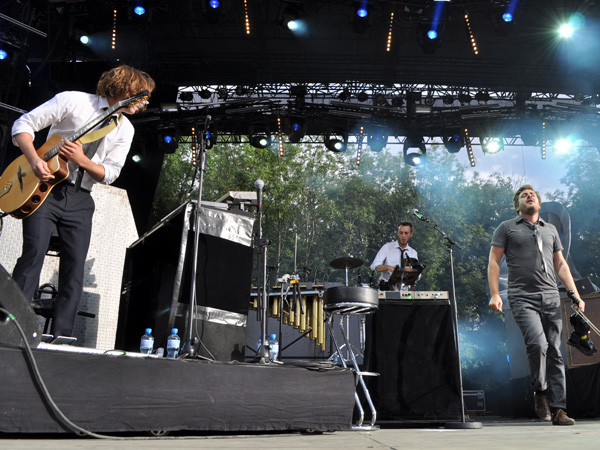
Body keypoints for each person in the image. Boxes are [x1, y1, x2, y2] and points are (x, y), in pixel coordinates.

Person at [11, 65, 155, 338]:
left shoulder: (125, 129)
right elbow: (23, 124)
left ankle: (62, 339)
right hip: (44, 190)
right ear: (124, 89)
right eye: (140, 96)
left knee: (74, 270)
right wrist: (34, 160)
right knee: (33, 256)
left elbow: (110, 174)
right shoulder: (74, 101)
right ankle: (12, 330)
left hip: (81, 199)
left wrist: (83, 161)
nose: (143, 103)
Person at [488, 184, 585, 426]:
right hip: (522, 297)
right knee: (538, 343)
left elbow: (561, 264)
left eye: (532, 194)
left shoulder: (550, 230)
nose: (529, 196)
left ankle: (560, 409)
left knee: (556, 351)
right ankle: (540, 390)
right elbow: (493, 261)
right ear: (517, 205)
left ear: (539, 204)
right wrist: (494, 294)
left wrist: (575, 294)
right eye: (524, 195)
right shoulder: (507, 228)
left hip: (551, 296)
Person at [370, 222, 418, 291]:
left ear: (411, 234)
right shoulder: (387, 247)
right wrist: (388, 267)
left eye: (406, 233)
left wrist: (414, 274)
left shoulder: (413, 253)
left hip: (405, 292)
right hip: (387, 289)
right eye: (401, 233)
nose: (403, 236)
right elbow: (374, 266)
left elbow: (418, 275)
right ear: (397, 233)